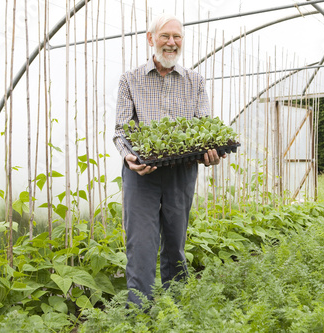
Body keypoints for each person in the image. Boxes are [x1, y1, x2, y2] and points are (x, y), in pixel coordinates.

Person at [113, 13, 224, 307]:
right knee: (141, 246)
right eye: (165, 36)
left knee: (175, 244)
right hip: (142, 175)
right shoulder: (130, 80)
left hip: (181, 173)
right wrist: (129, 158)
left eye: (177, 37)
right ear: (151, 39)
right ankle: (139, 313)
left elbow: (206, 128)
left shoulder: (195, 81)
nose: (172, 43)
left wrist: (210, 152)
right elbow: (121, 131)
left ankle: (175, 311)